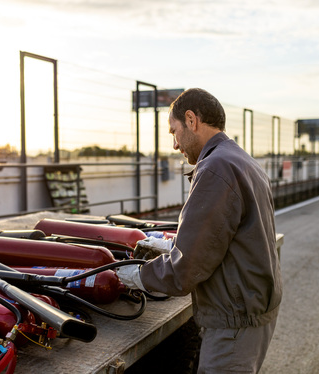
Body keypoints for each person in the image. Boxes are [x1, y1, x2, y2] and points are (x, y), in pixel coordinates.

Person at [117, 88, 282, 373]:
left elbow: (186, 268)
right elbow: (224, 238)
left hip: (234, 322)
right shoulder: (240, 159)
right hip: (252, 311)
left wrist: (137, 276)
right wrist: (170, 246)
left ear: (191, 120)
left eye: (174, 131)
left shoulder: (216, 168)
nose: (174, 144)